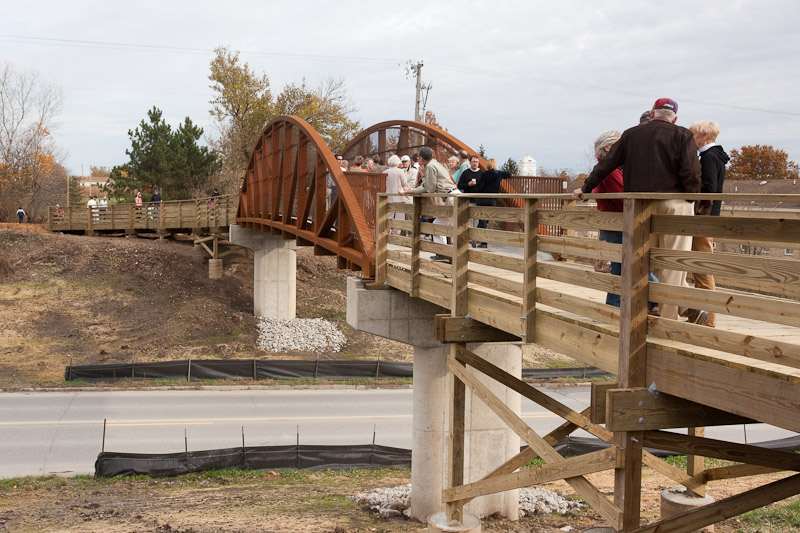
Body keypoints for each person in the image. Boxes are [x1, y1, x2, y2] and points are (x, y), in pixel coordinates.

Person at [576, 98, 701, 320]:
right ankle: (669, 317)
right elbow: (690, 172)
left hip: (639, 205)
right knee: (673, 262)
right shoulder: (683, 135)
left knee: (641, 260)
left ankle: (642, 313)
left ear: (653, 114)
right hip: (674, 203)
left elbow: (606, 164)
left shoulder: (631, 135)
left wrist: (585, 188)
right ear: (675, 118)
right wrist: (692, 199)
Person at [681, 120, 730, 327]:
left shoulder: (709, 157)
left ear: (704, 136)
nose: (692, 139)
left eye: (694, 135)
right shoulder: (715, 156)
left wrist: (699, 210)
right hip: (709, 217)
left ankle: (709, 319)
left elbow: (708, 188)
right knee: (700, 266)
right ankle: (703, 314)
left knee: (702, 267)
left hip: (704, 218)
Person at [410, 146, 458, 260]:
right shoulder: (435, 163)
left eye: (419, 158)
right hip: (454, 195)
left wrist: (410, 191)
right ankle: (445, 254)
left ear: (421, 158)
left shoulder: (430, 166)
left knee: (443, 226)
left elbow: (430, 188)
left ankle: (446, 254)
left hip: (451, 197)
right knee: (442, 225)